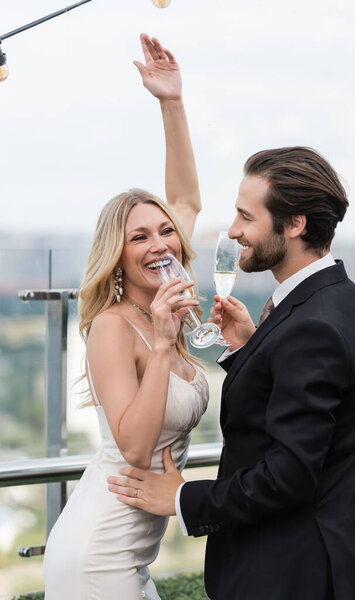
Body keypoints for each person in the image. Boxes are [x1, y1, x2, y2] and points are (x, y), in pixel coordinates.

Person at [108, 146, 355, 600]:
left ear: (294, 224)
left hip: (290, 576)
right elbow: (305, 414)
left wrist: (183, 497)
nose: (233, 232)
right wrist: (247, 352)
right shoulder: (343, 299)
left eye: (245, 217)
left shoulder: (311, 324)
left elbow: (288, 476)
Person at [43, 34, 209, 600]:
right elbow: (137, 451)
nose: (160, 242)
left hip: (132, 555)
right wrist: (163, 345)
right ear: (118, 254)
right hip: (97, 553)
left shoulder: (163, 301)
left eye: (166, 231)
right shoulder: (117, 326)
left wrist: (172, 101)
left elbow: (185, 197)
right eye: (139, 236)